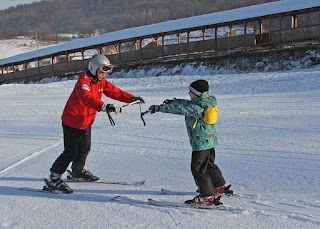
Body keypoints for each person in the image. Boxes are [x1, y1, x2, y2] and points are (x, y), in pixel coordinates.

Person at [45, 54, 146, 193]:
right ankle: (53, 178)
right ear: (93, 68)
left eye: (106, 71)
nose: (103, 74)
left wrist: (132, 98)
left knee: (85, 149)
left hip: (86, 122)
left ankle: (77, 172)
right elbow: (87, 98)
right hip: (72, 121)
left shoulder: (101, 81)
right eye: (102, 71)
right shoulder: (83, 82)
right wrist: (104, 106)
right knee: (70, 152)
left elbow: (115, 92)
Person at [148, 79, 232, 206]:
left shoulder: (195, 107)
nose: (188, 94)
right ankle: (218, 186)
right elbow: (185, 104)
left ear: (197, 93)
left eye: (190, 92)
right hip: (209, 142)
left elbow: (181, 109)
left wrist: (160, 108)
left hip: (200, 144)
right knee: (209, 164)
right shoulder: (206, 102)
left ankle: (207, 197)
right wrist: (175, 101)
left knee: (198, 169)